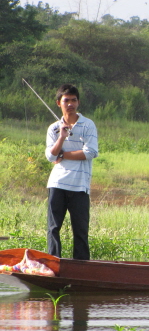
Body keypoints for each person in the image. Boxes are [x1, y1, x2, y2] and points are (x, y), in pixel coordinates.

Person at [45, 84, 98, 260]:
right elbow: (51, 157)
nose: (70, 104)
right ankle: (53, 264)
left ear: (78, 102)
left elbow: (90, 152)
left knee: (81, 231)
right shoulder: (53, 128)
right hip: (57, 184)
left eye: (73, 100)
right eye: (66, 100)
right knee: (53, 228)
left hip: (80, 186)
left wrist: (63, 154)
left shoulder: (88, 125)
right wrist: (61, 137)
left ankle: (81, 268)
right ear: (58, 103)